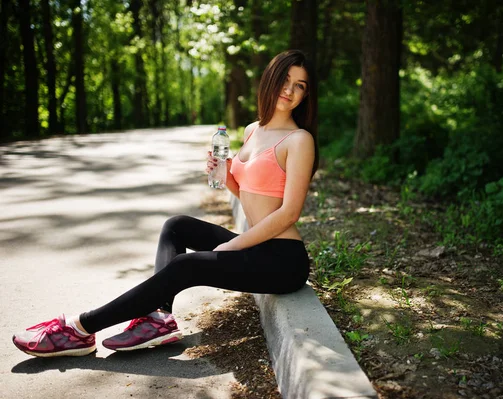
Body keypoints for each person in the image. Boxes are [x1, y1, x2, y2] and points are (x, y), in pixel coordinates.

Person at [13, 49, 318, 357]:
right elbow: (250, 196)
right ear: (270, 79)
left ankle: (79, 328)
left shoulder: (298, 140)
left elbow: (288, 213)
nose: (289, 90)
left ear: (305, 95)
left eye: (300, 85)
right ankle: (158, 319)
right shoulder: (254, 130)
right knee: (177, 226)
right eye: (285, 79)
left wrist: (233, 246)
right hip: (256, 246)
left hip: (283, 261)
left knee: (185, 266)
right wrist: (224, 176)